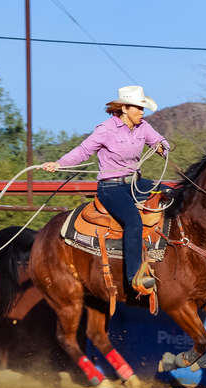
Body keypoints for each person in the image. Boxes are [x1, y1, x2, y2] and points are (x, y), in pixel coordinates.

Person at [42, 85, 169, 292]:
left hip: (135, 183)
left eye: (142, 108)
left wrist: (162, 147)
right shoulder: (105, 129)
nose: (141, 112)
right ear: (125, 108)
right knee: (133, 220)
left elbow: (160, 141)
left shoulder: (143, 127)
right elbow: (83, 151)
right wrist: (59, 164)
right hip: (111, 188)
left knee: (170, 194)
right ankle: (134, 277)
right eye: (138, 107)